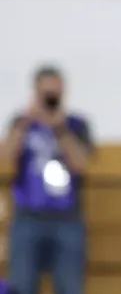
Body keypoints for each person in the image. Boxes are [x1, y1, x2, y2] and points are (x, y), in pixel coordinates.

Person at [1, 66, 93, 294]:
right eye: (46, 95)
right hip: (27, 218)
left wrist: (59, 128)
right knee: (22, 286)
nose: (51, 100)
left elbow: (81, 164)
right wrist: (24, 122)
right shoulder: (21, 123)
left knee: (70, 286)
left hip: (68, 219)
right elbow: (6, 159)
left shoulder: (76, 125)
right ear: (36, 93)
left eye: (55, 94)